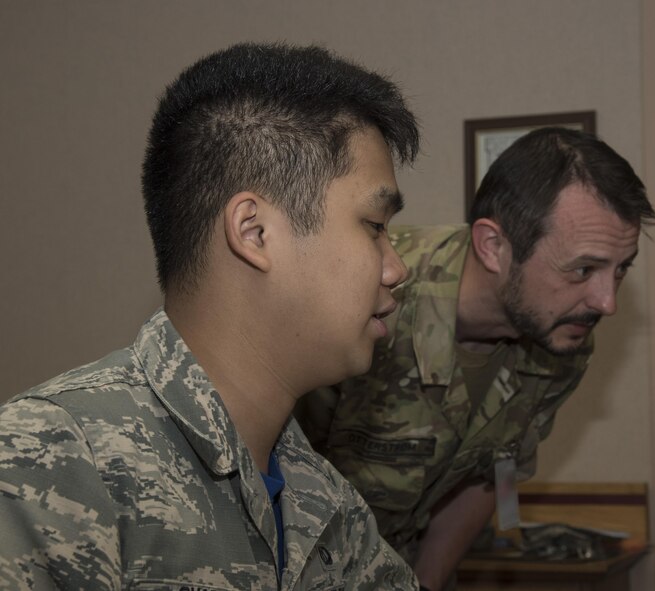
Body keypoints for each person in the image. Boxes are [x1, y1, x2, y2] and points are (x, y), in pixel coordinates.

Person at [0, 42, 421, 590]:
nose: (397, 268)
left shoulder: (325, 501)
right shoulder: (49, 461)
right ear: (254, 232)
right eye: (375, 226)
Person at [297, 126, 655, 590]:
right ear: (493, 247)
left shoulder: (563, 336)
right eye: (584, 269)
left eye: (620, 269)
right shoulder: (372, 296)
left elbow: (491, 473)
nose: (606, 303)